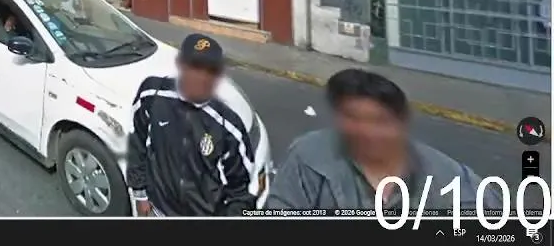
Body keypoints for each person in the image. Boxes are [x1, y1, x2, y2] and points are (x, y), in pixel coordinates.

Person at [266, 68, 502, 214]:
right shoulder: (309, 159)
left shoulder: (452, 182)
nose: (365, 131)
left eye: (378, 121)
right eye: (352, 118)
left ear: (401, 123)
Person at [127, 34, 256, 217]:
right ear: (181, 66)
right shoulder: (152, 95)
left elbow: (241, 192)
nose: (201, 76)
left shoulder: (228, 127)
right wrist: (140, 194)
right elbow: (136, 142)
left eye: (209, 70)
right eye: (194, 67)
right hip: (158, 210)